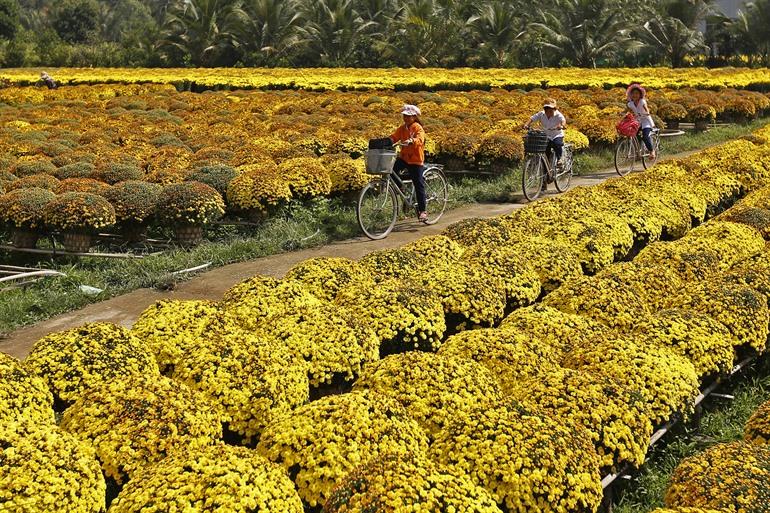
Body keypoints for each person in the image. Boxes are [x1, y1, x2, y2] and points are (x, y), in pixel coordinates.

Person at [390, 104, 428, 222]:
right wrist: (387, 141)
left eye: (408, 116)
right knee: (390, 169)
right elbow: (394, 137)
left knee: (418, 184)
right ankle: (401, 188)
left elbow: (420, 139)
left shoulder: (418, 127)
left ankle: (423, 211)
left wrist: (413, 141)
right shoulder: (402, 128)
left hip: (416, 160)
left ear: (414, 117)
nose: (406, 118)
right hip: (405, 158)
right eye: (404, 115)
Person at [523, 98, 567, 169]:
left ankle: (559, 159)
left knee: (557, 144)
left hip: (556, 134)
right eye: (547, 108)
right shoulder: (541, 114)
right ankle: (547, 170)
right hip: (546, 135)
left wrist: (561, 126)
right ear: (545, 109)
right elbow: (532, 118)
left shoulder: (558, 114)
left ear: (554, 109)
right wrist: (526, 124)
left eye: (551, 108)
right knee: (545, 150)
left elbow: (563, 121)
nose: (549, 110)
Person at [626, 83, 655, 159]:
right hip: (637, 122)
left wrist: (647, 112)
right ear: (630, 95)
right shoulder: (630, 104)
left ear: (640, 95)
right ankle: (637, 151)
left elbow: (646, 108)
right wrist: (622, 114)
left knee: (645, 137)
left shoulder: (642, 101)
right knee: (632, 134)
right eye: (633, 93)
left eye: (637, 93)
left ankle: (652, 151)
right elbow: (627, 111)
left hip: (646, 121)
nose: (635, 95)